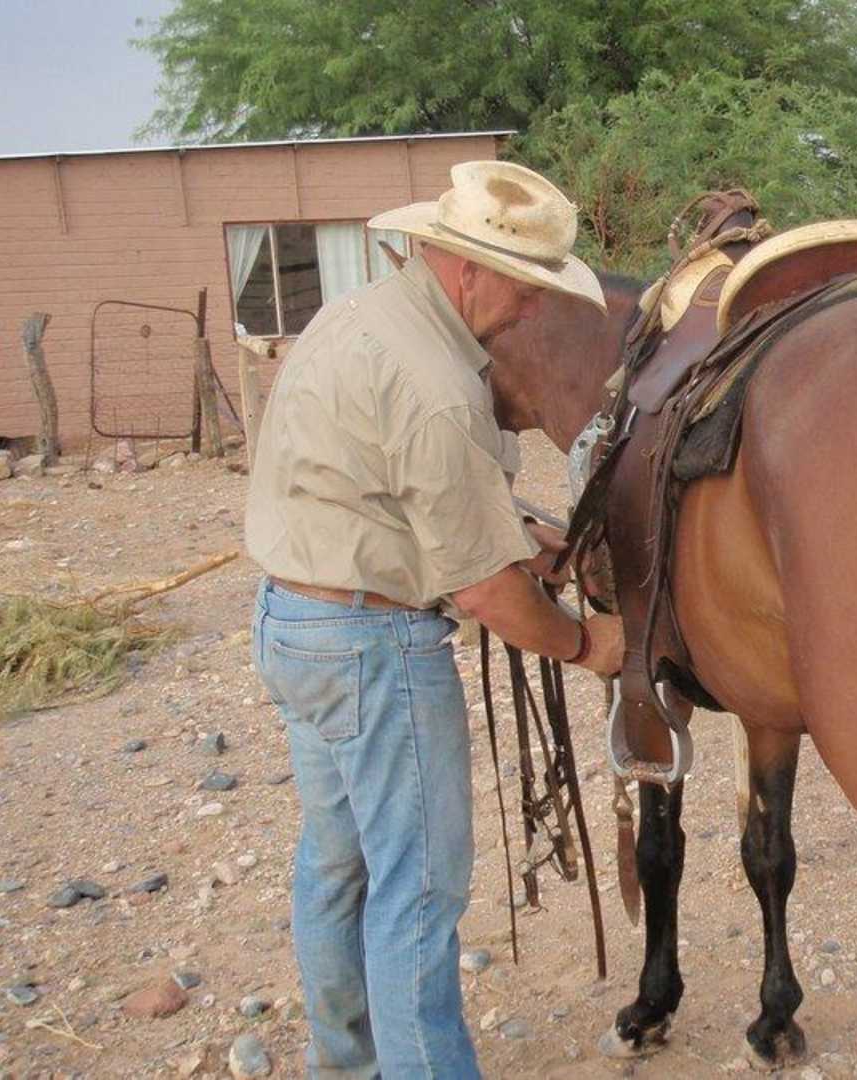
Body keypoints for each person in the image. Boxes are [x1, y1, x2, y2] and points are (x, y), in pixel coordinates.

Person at [245, 160, 623, 1078]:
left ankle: (346, 1063)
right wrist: (585, 643)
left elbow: (376, 484)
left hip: (296, 621)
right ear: (468, 270)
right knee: (418, 890)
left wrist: (516, 532)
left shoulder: (357, 317)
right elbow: (486, 593)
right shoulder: (439, 386)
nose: (531, 308)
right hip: (372, 647)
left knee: (339, 863)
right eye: (524, 286)